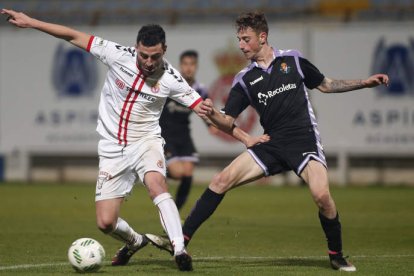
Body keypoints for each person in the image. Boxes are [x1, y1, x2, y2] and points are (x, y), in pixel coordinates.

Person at [155, 12, 389, 272]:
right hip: (271, 143)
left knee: (322, 196)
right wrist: (211, 113)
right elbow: (227, 121)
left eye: (246, 39)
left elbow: (325, 85)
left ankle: (336, 255)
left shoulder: (294, 60)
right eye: (239, 39)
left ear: (262, 37)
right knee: (221, 180)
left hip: (304, 141)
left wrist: (364, 83)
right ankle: (180, 242)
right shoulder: (244, 79)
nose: (241, 45)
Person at [1, 8, 225, 271]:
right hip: (112, 149)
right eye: (144, 55)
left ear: (164, 49)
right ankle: (135, 241)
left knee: (156, 184)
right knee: (105, 222)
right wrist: (30, 22)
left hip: (146, 141)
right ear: (136, 48)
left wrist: (243, 136)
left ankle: (179, 249)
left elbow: (205, 111)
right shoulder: (117, 54)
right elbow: (72, 36)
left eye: (155, 56)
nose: (149, 62)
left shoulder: (172, 79)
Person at [159, 50, 215, 211]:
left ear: (196, 67)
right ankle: (155, 170)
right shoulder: (171, 85)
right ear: (180, 66)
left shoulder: (200, 89)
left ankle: (176, 212)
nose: (188, 68)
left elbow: (205, 110)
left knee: (188, 173)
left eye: (191, 64)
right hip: (166, 134)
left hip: (184, 134)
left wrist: (210, 125)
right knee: (178, 173)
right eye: (185, 64)